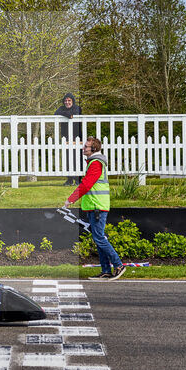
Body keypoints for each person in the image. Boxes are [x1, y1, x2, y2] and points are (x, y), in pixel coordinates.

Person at [63, 136, 125, 279]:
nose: (83, 148)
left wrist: (70, 200)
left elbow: (86, 184)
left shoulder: (96, 163)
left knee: (99, 238)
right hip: (94, 206)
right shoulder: (93, 163)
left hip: (97, 206)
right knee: (99, 238)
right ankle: (106, 271)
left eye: (86, 146)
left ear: (94, 149)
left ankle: (119, 265)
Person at [54, 93, 82, 185]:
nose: (67, 102)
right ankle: (69, 179)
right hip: (65, 137)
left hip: (77, 137)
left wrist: (67, 114)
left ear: (72, 101)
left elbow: (74, 114)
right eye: (65, 100)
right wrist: (66, 114)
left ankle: (78, 180)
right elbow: (56, 113)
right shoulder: (61, 109)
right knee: (67, 159)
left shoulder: (77, 108)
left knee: (77, 158)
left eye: (69, 100)